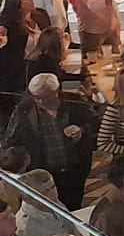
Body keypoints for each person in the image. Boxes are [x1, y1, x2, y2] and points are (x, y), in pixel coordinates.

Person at [9, 72, 96, 209]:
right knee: (48, 209)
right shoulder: (24, 110)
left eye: (47, 97)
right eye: (37, 98)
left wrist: (82, 130)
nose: (41, 102)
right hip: (44, 173)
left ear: (57, 91)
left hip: (75, 169)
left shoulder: (74, 102)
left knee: (74, 205)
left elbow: (94, 121)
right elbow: (10, 139)